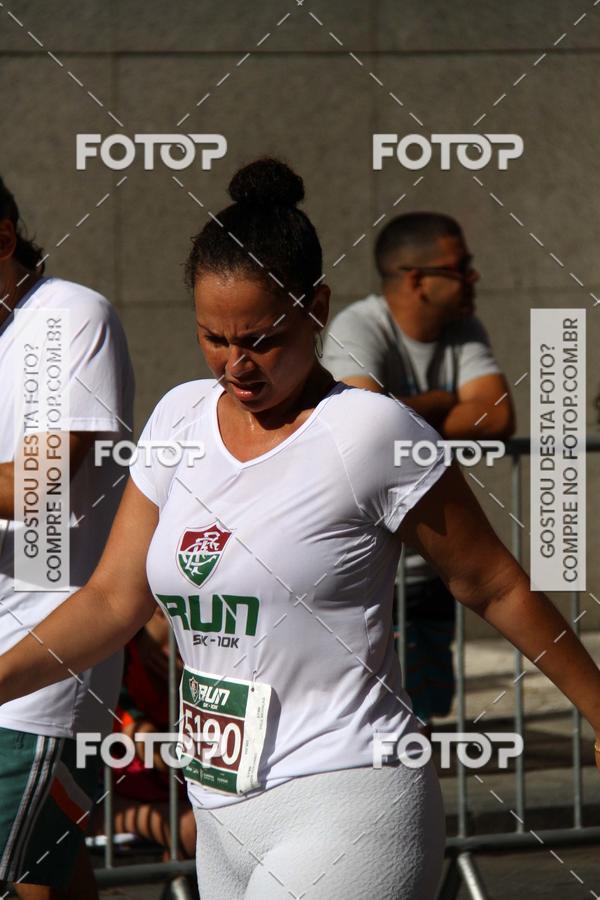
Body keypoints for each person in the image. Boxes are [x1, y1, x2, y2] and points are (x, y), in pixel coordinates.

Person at [0, 158, 599, 900]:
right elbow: (111, 602)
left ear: (316, 307)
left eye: (260, 338)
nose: (235, 365)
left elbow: (494, 583)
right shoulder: (178, 420)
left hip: (350, 796)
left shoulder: (370, 431)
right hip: (220, 816)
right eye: (213, 338)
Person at [323, 212, 516, 728]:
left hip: (434, 565)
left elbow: (496, 413)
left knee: (428, 720)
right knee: (371, 723)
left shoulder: (463, 327)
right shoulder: (358, 326)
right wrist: (444, 399)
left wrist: (402, 410)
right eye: (461, 267)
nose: (474, 277)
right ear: (416, 280)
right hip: (369, 571)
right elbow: (363, 418)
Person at [0, 177, 134, 899]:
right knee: (45, 876)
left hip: (46, 671)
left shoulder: (69, 317)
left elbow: (39, 478)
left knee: (24, 878)